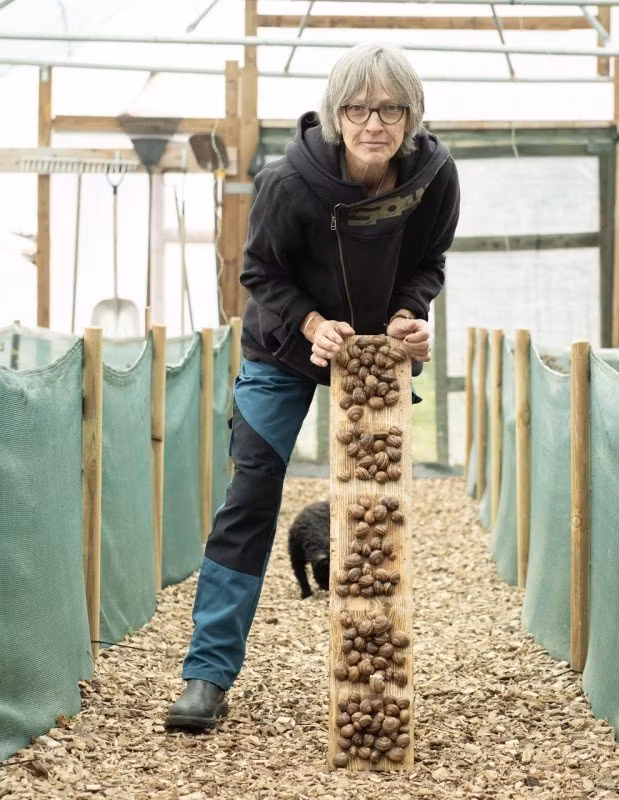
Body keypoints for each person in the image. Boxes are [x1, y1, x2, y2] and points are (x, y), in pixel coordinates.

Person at [165, 42, 460, 732]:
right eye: (357, 108)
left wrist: (411, 314)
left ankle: (376, 687)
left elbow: (430, 262)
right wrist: (309, 322)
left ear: (411, 114)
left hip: (379, 353)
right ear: (335, 114)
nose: (373, 123)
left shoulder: (436, 178)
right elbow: (260, 274)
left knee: (375, 506)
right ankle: (206, 676)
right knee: (250, 497)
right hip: (283, 349)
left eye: (391, 107)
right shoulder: (286, 183)